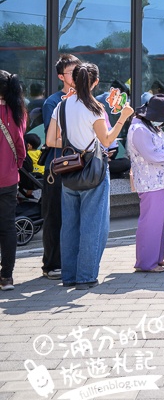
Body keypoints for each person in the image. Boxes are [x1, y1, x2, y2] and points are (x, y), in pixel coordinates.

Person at [45, 62, 134, 289]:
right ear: (95, 82)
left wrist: (72, 145)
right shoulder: (94, 108)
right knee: (93, 225)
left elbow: (50, 141)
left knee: (70, 225)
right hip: (93, 169)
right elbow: (106, 141)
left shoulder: (62, 107)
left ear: (74, 80)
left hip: (69, 168)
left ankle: (69, 276)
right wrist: (123, 117)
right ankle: (86, 277)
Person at [127, 95, 164, 273]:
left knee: (157, 221)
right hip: (149, 180)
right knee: (150, 221)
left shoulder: (149, 125)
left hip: (158, 179)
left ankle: (156, 257)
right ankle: (147, 262)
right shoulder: (139, 129)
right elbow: (152, 154)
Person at [38, 54, 80, 280]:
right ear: (60, 76)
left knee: (75, 217)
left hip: (80, 167)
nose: (76, 76)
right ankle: (51, 264)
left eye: (79, 71)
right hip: (58, 168)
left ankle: (71, 261)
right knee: (54, 217)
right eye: (72, 72)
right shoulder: (53, 102)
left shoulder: (86, 99)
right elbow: (51, 137)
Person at [0, 71, 27, 290]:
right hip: (8, 178)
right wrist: (14, 167)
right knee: (8, 226)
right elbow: (20, 147)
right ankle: (6, 277)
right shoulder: (17, 112)